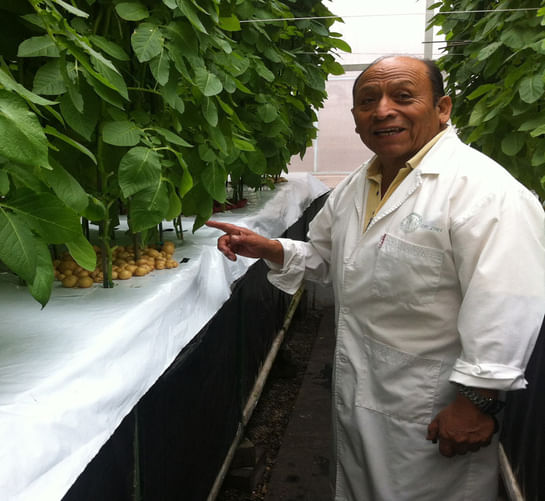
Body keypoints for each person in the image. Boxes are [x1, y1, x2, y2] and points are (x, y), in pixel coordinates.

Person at [206, 56, 545, 500]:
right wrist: (274, 249)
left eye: (403, 97)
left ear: (442, 108)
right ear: (355, 119)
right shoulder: (356, 186)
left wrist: (476, 403)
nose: (383, 110)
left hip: (431, 408)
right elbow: (329, 258)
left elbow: (507, 302)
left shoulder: (484, 193)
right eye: (368, 101)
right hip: (362, 392)